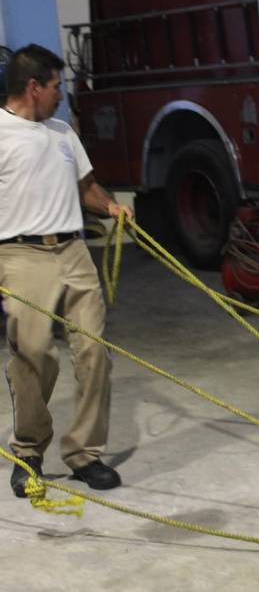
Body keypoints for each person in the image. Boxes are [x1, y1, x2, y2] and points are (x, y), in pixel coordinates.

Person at [1, 44, 132, 497]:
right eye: (57, 86)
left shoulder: (62, 132)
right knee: (33, 354)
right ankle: (29, 451)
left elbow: (86, 187)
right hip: (20, 256)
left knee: (95, 352)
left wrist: (111, 205)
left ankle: (84, 455)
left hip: (74, 252)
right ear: (33, 87)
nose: (62, 94)